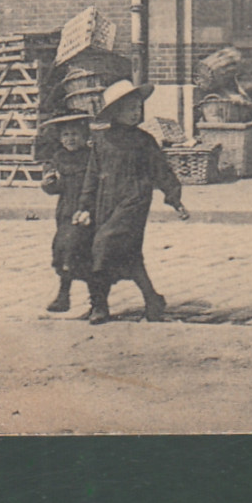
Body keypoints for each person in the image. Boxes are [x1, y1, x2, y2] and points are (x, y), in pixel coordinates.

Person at [74, 80, 189, 324]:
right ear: (115, 112)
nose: (136, 113)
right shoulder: (101, 141)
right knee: (130, 256)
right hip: (105, 202)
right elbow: (92, 175)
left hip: (134, 200)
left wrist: (174, 197)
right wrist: (84, 205)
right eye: (129, 109)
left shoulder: (144, 140)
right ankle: (149, 299)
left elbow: (161, 171)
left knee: (102, 246)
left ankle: (99, 304)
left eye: (138, 108)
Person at [39, 110, 95, 314]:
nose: (70, 139)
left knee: (82, 254)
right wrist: (48, 184)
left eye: (75, 134)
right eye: (66, 135)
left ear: (85, 136)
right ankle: (64, 295)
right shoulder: (58, 158)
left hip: (87, 212)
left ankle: (95, 301)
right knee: (62, 251)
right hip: (65, 212)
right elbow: (54, 187)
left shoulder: (92, 158)